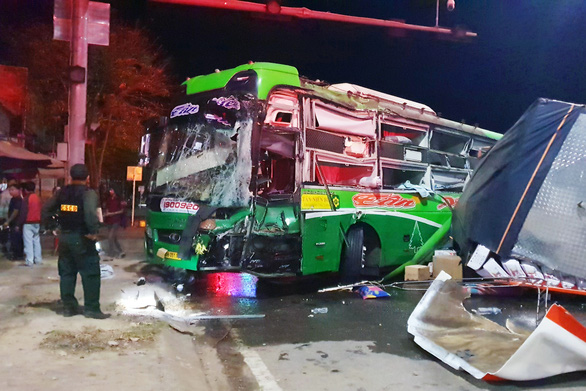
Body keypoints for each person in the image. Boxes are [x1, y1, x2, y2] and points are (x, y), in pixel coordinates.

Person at [43, 164, 110, 319]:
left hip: (65, 238)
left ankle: (69, 308)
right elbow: (89, 214)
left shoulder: (61, 193)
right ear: (87, 178)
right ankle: (92, 308)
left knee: (67, 273)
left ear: (71, 176)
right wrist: (93, 232)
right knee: (91, 273)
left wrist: (53, 226)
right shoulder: (88, 194)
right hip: (82, 238)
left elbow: (46, 209)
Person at [19, 181, 43, 266]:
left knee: (28, 242)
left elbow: (23, 212)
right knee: (36, 241)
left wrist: (20, 223)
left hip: (28, 222)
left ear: (25, 190)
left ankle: (29, 261)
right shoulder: (38, 198)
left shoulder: (26, 199)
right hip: (37, 222)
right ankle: (38, 259)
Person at [2, 183, 24, 261]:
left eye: (13, 190)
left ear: (19, 190)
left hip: (17, 223)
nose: (11, 192)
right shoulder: (13, 199)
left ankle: (18, 255)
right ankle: (16, 254)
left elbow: (16, 212)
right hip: (13, 223)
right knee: (13, 239)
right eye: (10, 190)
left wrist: (8, 221)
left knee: (16, 239)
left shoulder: (18, 200)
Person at [103, 188, 125, 259]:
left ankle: (111, 252)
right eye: (110, 190)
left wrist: (112, 213)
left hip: (116, 220)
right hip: (109, 220)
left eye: (112, 190)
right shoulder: (109, 199)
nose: (110, 191)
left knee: (110, 237)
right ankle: (120, 250)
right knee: (114, 238)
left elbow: (122, 210)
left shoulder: (118, 199)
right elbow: (107, 208)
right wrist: (106, 213)